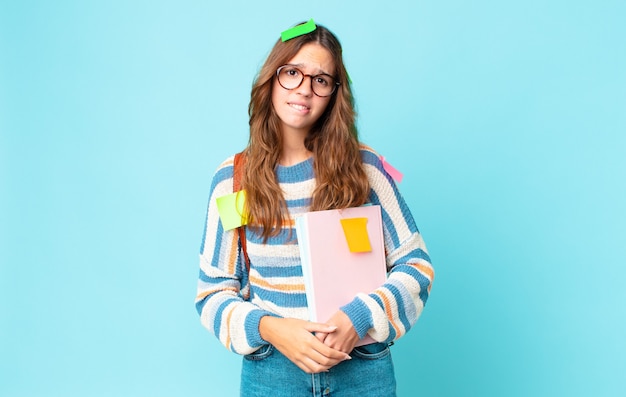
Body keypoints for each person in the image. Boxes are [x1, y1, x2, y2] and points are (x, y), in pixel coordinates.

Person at [195, 20, 434, 396]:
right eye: (292, 73)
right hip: (272, 371)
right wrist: (273, 328)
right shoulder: (234, 180)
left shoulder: (365, 169)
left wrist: (357, 318)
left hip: (363, 368)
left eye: (321, 80)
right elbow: (213, 292)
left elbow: (416, 265)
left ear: (334, 94)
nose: (304, 89)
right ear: (271, 79)